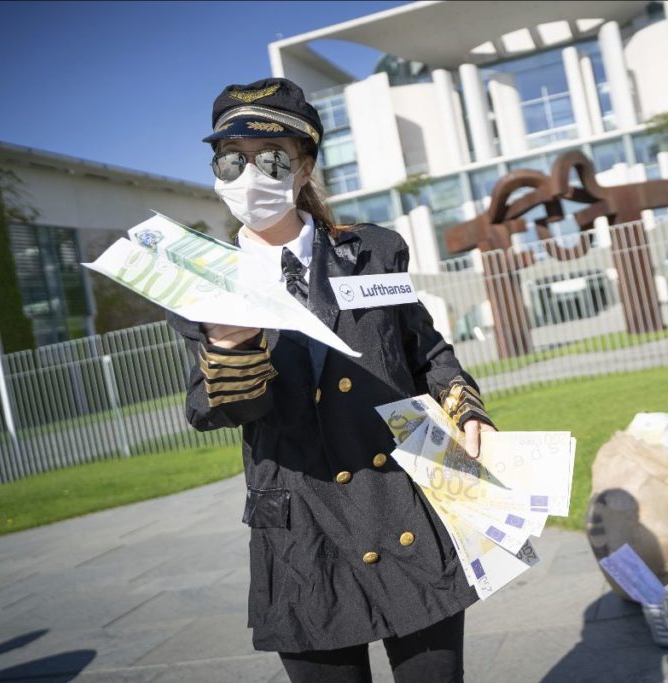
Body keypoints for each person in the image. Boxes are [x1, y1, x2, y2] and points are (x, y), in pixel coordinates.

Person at [167, 77, 496, 683]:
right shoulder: (206, 283)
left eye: (269, 159)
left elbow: (425, 351)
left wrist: (466, 407)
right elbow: (207, 408)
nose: (248, 176)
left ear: (304, 167)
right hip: (301, 529)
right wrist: (230, 347)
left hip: (402, 500)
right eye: (230, 160)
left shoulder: (372, 251)